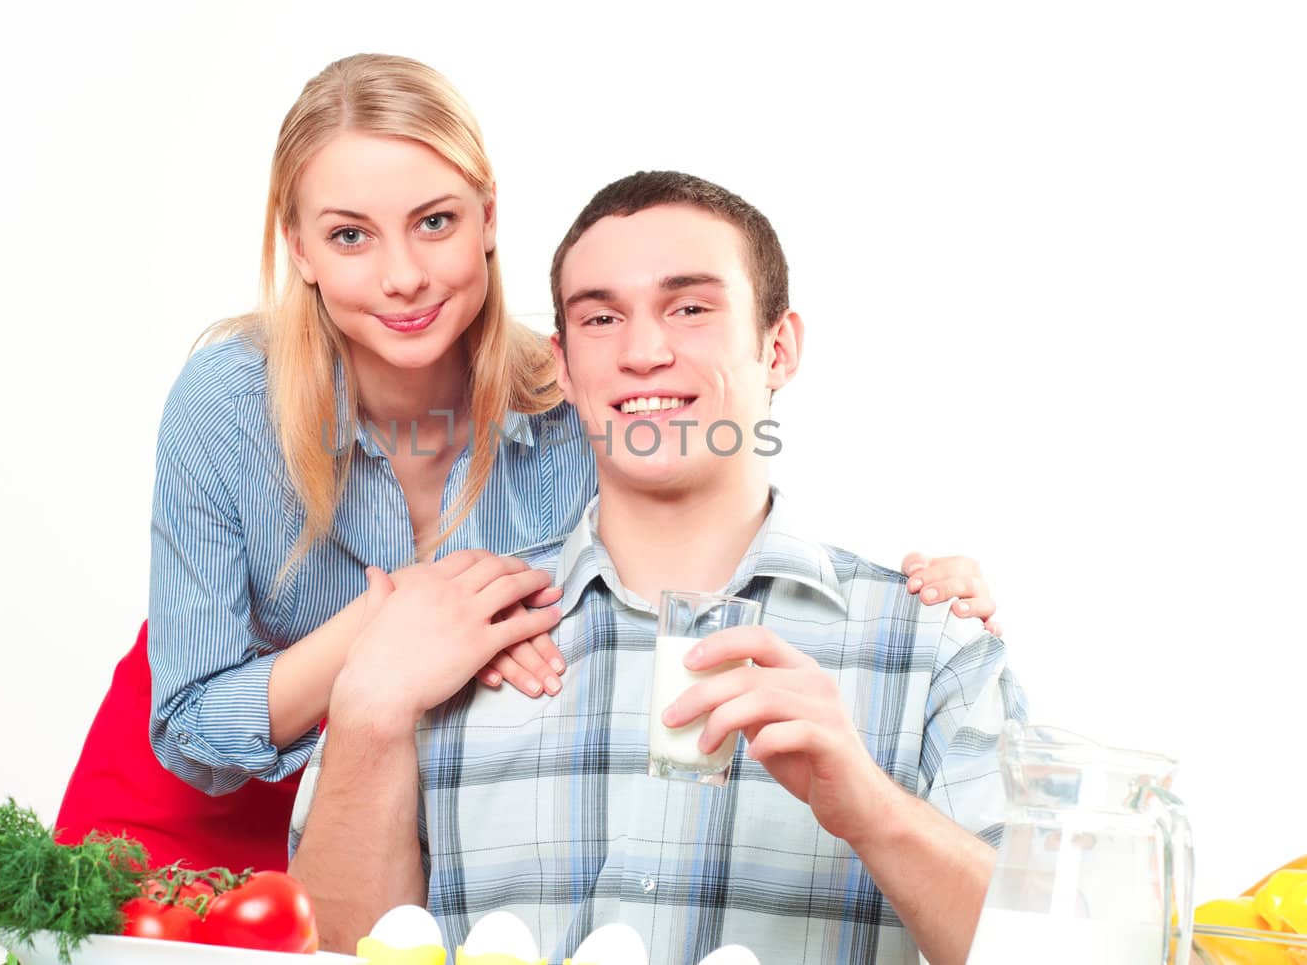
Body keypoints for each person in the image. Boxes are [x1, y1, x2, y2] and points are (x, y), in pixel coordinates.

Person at [54, 55, 1004, 871]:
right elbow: (189, 730)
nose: (403, 276)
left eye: (435, 222)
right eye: (350, 235)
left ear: (489, 216)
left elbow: (708, 489)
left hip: (418, 806)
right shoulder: (227, 403)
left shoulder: (568, 395)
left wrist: (908, 594)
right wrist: (395, 624)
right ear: (298, 246)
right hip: (197, 800)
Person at [288, 170, 1028, 965]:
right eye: (602, 317)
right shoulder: (435, 638)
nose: (644, 351)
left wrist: (873, 809)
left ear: (778, 347)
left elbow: (1047, 952)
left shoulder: (931, 648)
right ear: (564, 369)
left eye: (691, 308)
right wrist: (368, 711)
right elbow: (313, 952)